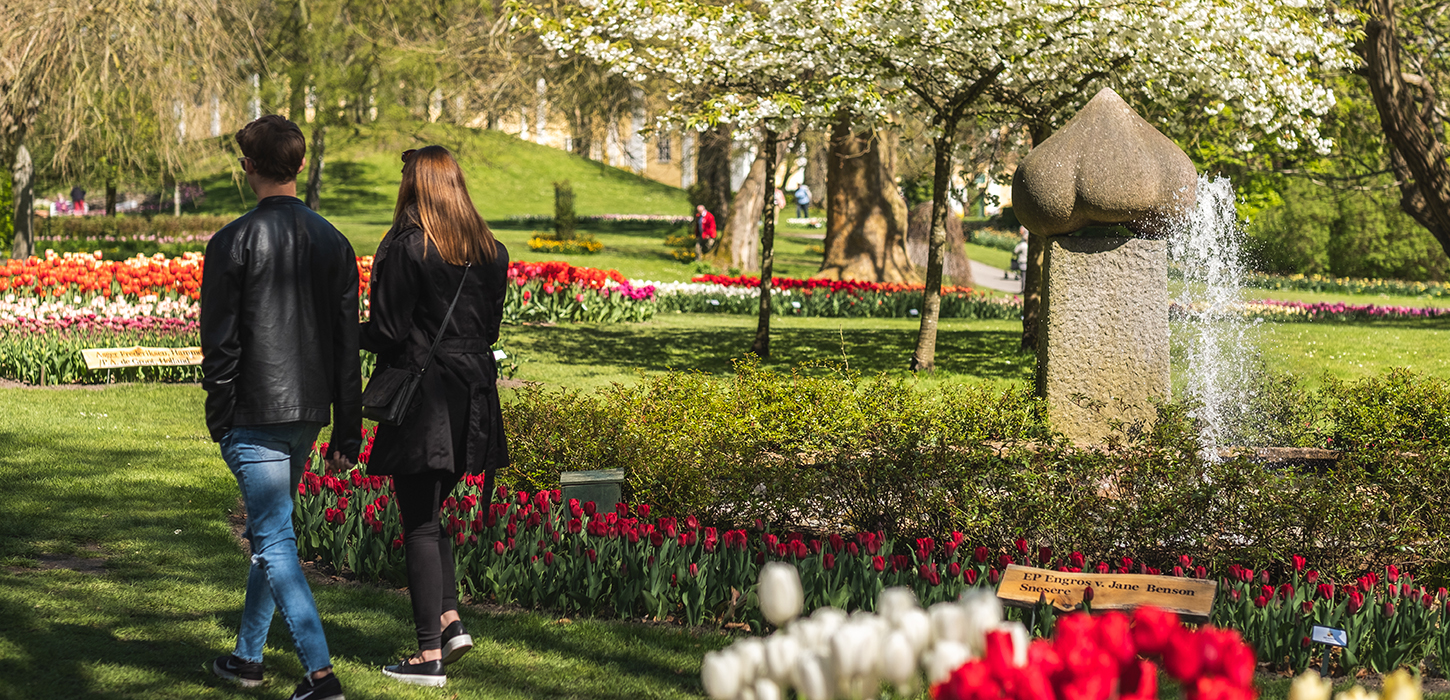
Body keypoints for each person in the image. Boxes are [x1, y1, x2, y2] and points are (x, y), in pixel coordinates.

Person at [201, 114, 359, 700]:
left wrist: (220, 416)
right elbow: (348, 348)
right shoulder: (334, 243)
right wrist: (346, 430)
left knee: (273, 542)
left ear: (249, 169)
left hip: (257, 413)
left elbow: (220, 345)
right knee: (274, 535)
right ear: (296, 165)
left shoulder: (233, 241)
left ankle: (321, 676)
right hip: (308, 412)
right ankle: (247, 657)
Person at [361, 145, 511, 688]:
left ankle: (428, 657)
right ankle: (449, 622)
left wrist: (340, 332)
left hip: (425, 397)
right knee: (433, 511)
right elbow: (488, 331)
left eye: (404, 176)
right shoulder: (492, 252)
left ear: (417, 185)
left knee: (419, 522)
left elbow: (387, 332)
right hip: (474, 395)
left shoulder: (408, 248)